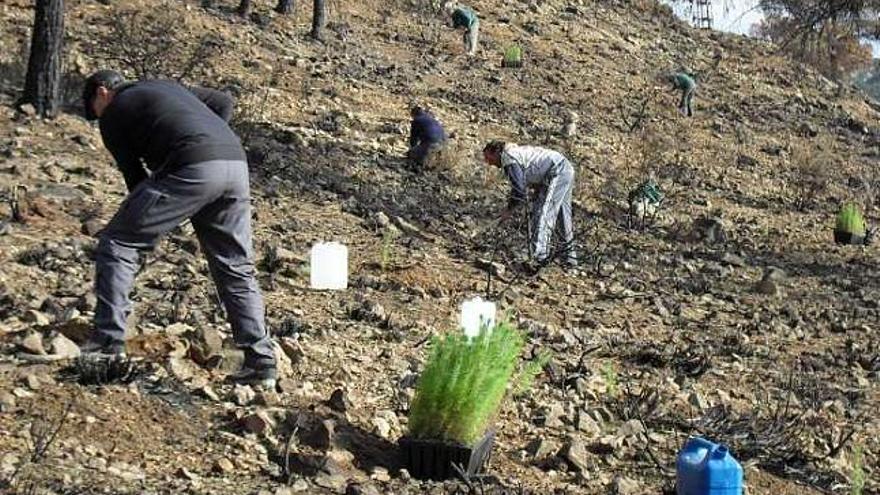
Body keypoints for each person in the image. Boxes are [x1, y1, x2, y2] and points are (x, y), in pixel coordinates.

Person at [80, 69, 277, 388]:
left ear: (102, 92)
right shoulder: (167, 88)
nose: (96, 118)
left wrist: (161, 215)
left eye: (94, 111)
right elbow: (223, 101)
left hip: (193, 166)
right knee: (236, 266)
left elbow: (135, 179)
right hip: (235, 165)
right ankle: (261, 363)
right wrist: (207, 140)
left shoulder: (114, 112)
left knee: (118, 243)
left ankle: (107, 346)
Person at [482, 141, 577, 267]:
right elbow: (528, 177)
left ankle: (538, 259)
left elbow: (519, 190)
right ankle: (570, 260)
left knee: (543, 214)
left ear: (496, 152)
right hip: (564, 168)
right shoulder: (515, 154)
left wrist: (509, 210)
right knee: (562, 216)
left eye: (489, 158)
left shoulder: (508, 157)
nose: (489, 163)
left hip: (557, 171)